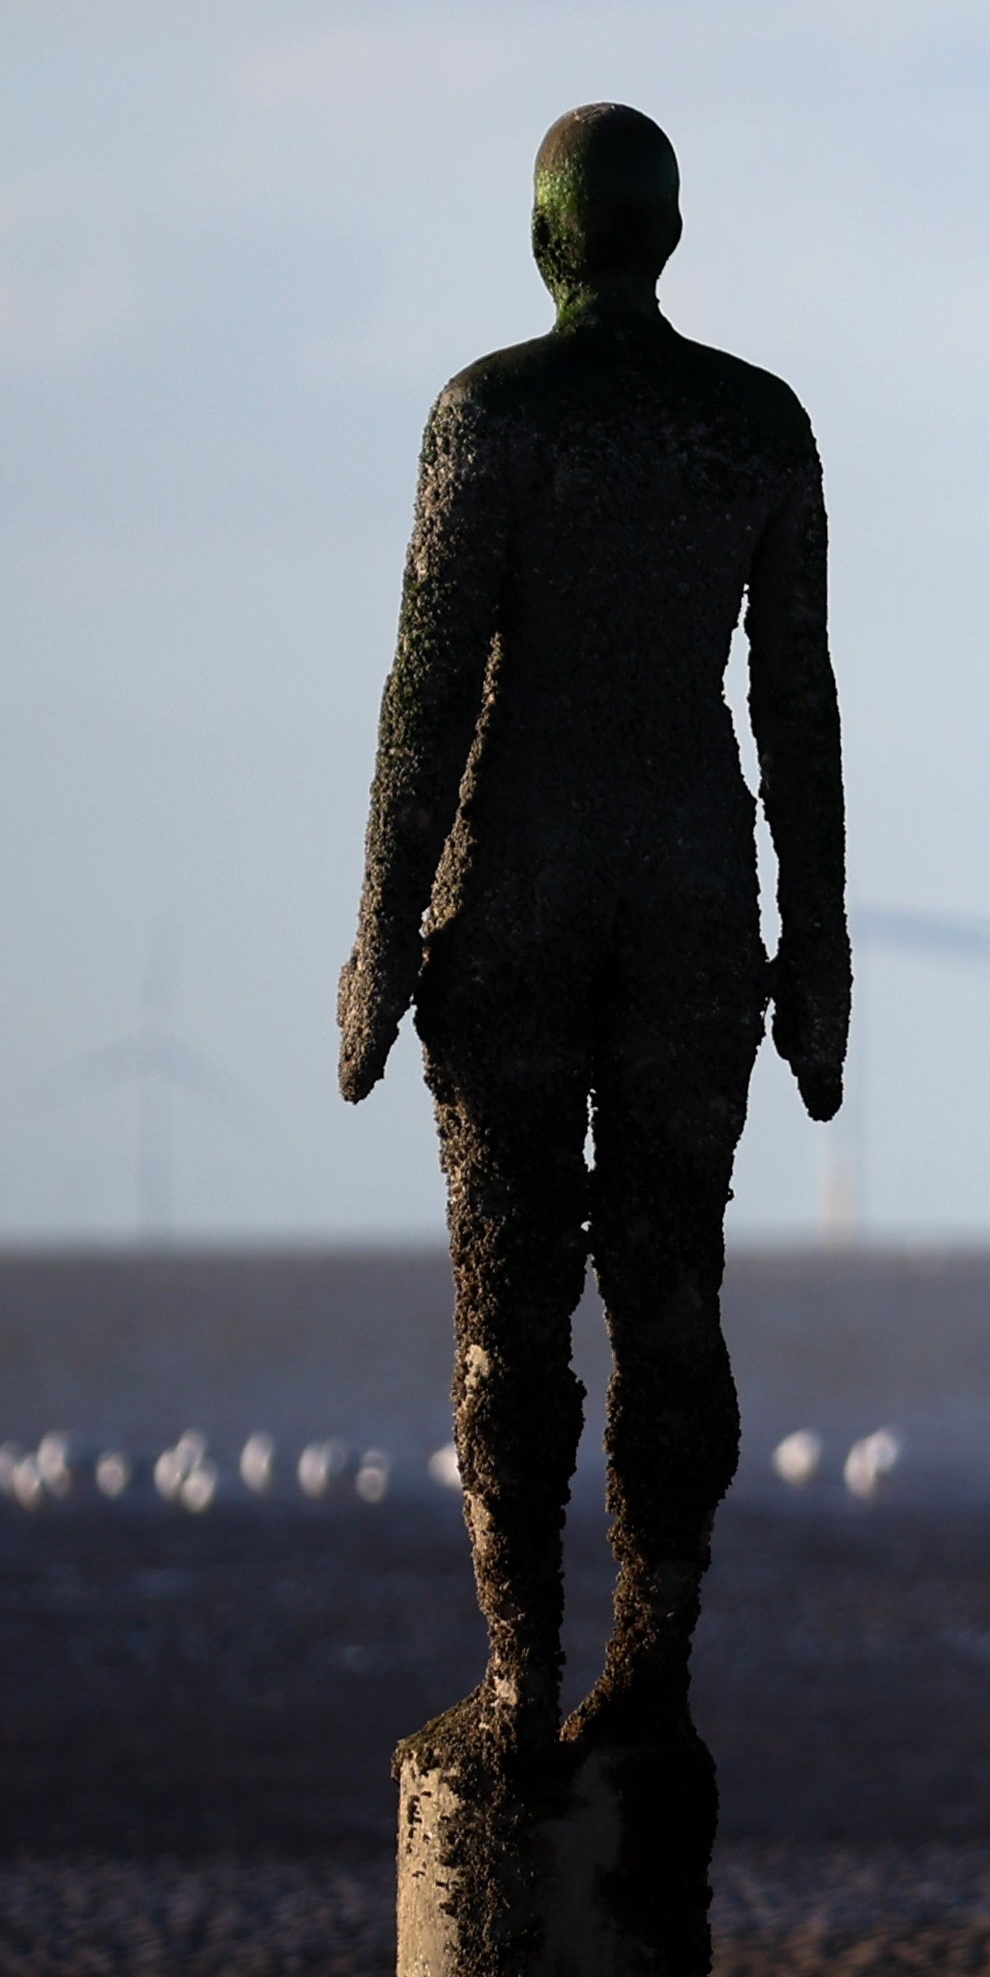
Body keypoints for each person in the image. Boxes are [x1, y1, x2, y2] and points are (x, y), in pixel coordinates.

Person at [337, 104, 845, 1756]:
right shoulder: (756, 426)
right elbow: (795, 704)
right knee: (670, 1296)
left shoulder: (490, 416)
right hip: (699, 886)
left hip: (517, 888)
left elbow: (426, 694)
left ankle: (521, 1666)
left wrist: (380, 941)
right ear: (668, 235)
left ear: (547, 239)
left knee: (509, 1314)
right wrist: (817, 948)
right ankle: (653, 1660)